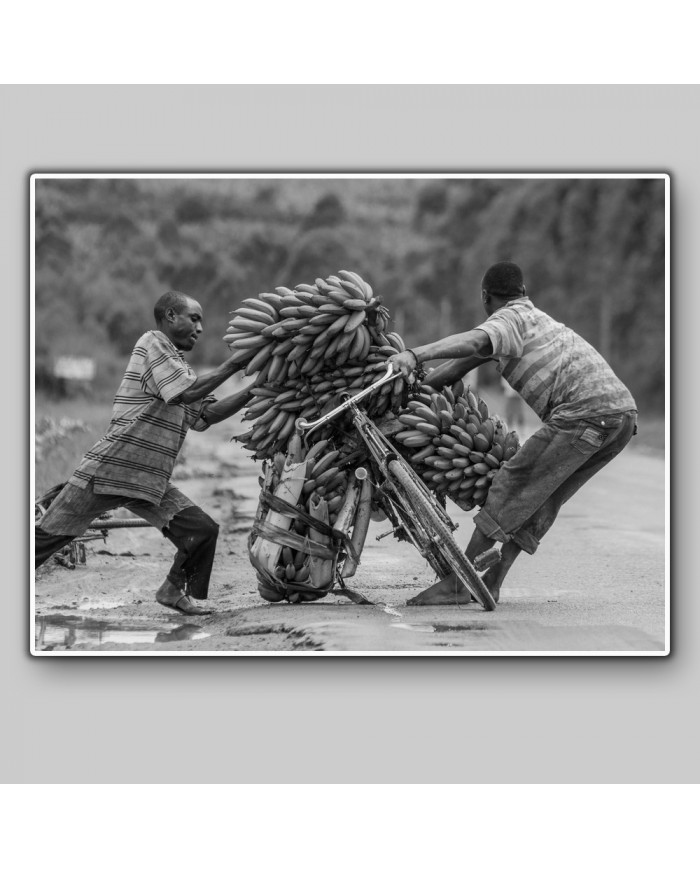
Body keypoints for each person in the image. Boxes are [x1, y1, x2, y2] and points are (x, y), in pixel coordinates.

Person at [390, 261, 638, 606]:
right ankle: (491, 582)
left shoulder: (511, 319)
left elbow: (475, 339)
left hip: (585, 413)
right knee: (541, 497)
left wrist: (414, 354)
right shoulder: (530, 322)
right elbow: (459, 365)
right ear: (523, 291)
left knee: (512, 484)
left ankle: (459, 583)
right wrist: (403, 392)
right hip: (621, 416)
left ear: (485, 297)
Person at [35, 291, 251, 615]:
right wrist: (233, 364)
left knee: (202, 532)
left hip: (149, 481)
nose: (201, 327)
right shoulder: (153, 344)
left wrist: (255, 389)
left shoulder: (179, 366)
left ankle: (172, 589)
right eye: (194, 318)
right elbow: (187, 394)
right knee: (44, 540)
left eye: (201, 320)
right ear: (170, 317)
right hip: (109, 470)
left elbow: (207, 416)